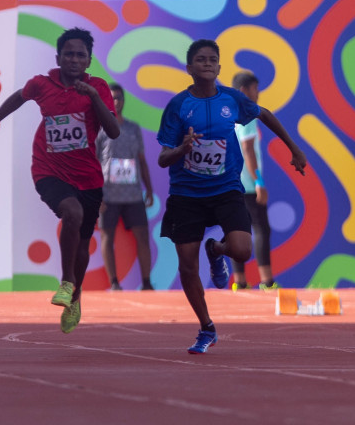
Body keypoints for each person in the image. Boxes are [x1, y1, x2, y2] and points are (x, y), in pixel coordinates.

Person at [157, 39, 307, 354]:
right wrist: (182, 149)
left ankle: (217, 250)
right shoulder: (178, 106)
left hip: (226, 189)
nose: (208, 64)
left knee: (241, 250)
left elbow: (264, 114)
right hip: (187, 194)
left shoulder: (232, 99)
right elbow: (163, 158)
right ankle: (206, 328)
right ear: (189, 68)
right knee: (187, 266)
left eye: (213, 59)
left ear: (220, 68)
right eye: (200, 60)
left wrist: (293, 148)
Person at [0, 28, 119, 333]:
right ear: (58, 57)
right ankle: (66, 282)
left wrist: (93, 99)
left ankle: (75, 295)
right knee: (71, 213)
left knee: (81, 243)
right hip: (48, 169)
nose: (74, 59)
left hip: (88, 176)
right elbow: (16, 98)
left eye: (80, 55)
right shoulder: (42, 84)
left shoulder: (98, 87)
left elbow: (113, 131)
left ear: (88, 61)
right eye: (68, 54)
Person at [96, 82, 155, 291]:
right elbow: (92, 163)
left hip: (133, 194)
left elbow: (141, 159)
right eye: (112, 98)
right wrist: (95, 194)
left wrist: (149, 188)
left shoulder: (133, 128)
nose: (117, 101)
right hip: (107, 195)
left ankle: (147, 282)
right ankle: (114, 282)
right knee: (107, 236)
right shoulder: (99, 129)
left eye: (120, 98)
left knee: (142, 237)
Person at [230, 71, 278, 290]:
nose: (258, 93)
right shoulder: (247, 114)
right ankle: (267, 280)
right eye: (255, 89)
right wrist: (258, 182)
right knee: (261, 229)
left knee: (238, 231)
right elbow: (248, 150)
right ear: (244, 92)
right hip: (248, 184)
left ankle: (239, 281)